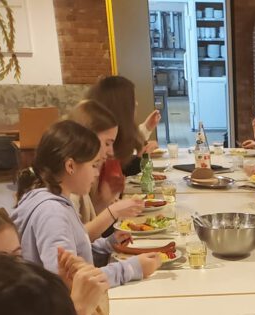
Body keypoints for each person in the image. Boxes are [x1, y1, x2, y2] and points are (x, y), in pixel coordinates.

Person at [12, 120, 160, 287]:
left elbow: (76, 254)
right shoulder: (52, 213)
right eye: (94, 165)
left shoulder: (56, 199)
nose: (96, 173)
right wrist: (131, 269)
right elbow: (71, 281)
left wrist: (107, 245)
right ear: (70, 166)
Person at [67, 99, 145, 239]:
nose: (111, 152)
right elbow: (76, 239)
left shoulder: (81, 172)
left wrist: (104, 203)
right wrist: (113, 211)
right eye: (107, 143)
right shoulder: (70, 180)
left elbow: (88, 225)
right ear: (87, 136)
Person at [86, 75, 162, 178]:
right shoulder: (101, 138)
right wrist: (143, 157)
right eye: (132, 100)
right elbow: (118, 171)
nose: (136, 104)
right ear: (121, 106)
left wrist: (147, 128)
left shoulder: (110, 129)